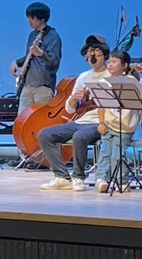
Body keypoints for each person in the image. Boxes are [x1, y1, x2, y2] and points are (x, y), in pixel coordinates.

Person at [38, 34, 110, 191]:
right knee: (45, 134)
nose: (92, 55)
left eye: (96, 51)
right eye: (89, 52)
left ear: (104, 54)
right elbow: (69, 109)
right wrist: (73, 99)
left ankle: (78, 177)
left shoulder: (111, 76)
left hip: (100, 122)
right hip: (81, 121)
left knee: (79, 136)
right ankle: (62, 176)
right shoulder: (84, 77)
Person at [93, 50, 142, 193]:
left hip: (125, 127)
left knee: (118, 155)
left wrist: (137, 119)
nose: (110, 64)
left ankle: (121, 180)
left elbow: (140, 104)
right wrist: (101, 122)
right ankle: (101, 179)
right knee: (105, 153)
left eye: (114, 62)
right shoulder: (104, 82)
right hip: (109, 125)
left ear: (125, 65)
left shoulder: (131, 82)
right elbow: (101, 105)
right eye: (109, 61)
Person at [10, 2, 62, 115]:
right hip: (27, 84)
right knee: (22, 119)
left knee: (41, 119)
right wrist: (17, 62)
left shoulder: (53, 36)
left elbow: (54, 61)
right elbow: (30, 56)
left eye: (32, 18)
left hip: (43, 86)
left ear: (42, 18)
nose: (29, 21)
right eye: (28, 18)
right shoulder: (32, 35)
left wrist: (41, 53)